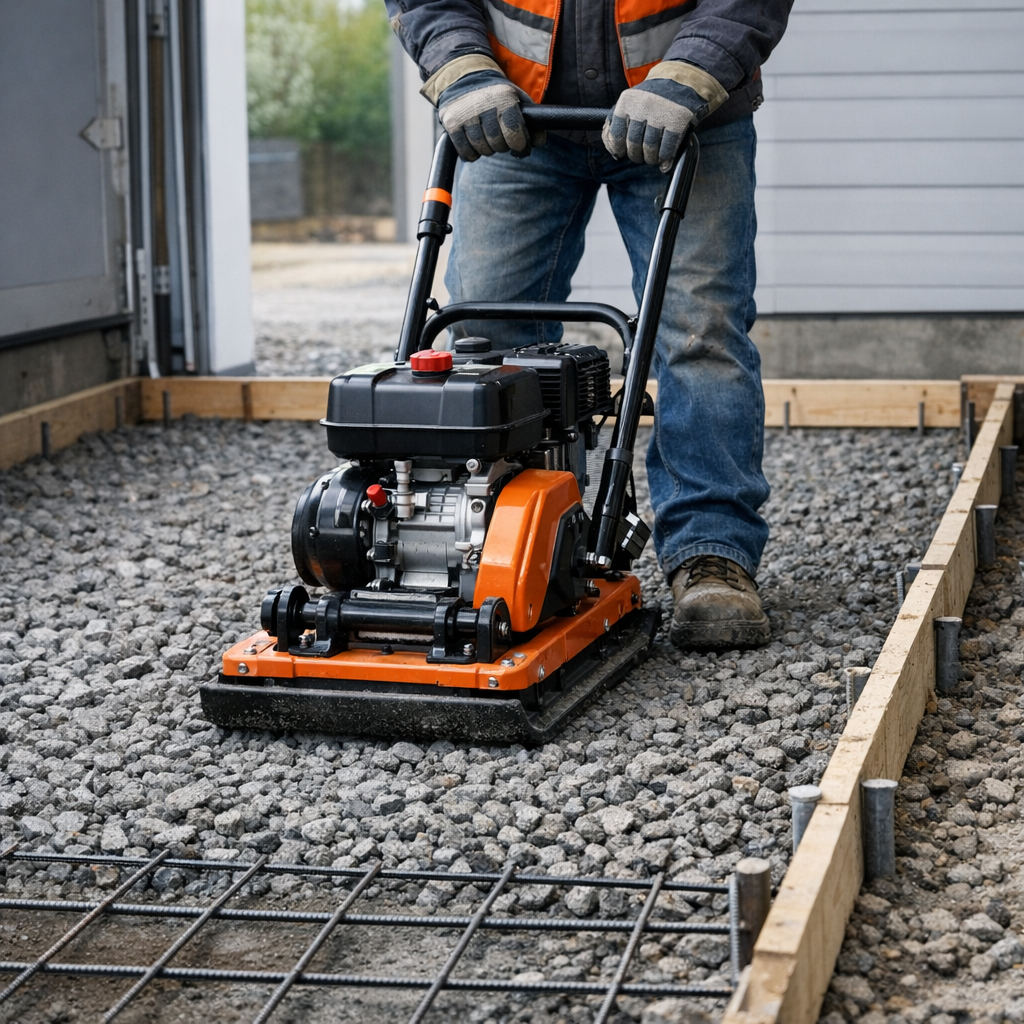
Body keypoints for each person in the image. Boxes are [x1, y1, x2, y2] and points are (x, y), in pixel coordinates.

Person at [386, 0, 794, 650]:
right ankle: (495, 545)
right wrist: (462, 71)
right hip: (510, 113)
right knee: (486, 340)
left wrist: (688, 74)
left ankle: (712, 553)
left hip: (690, 111)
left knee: (699, 335)